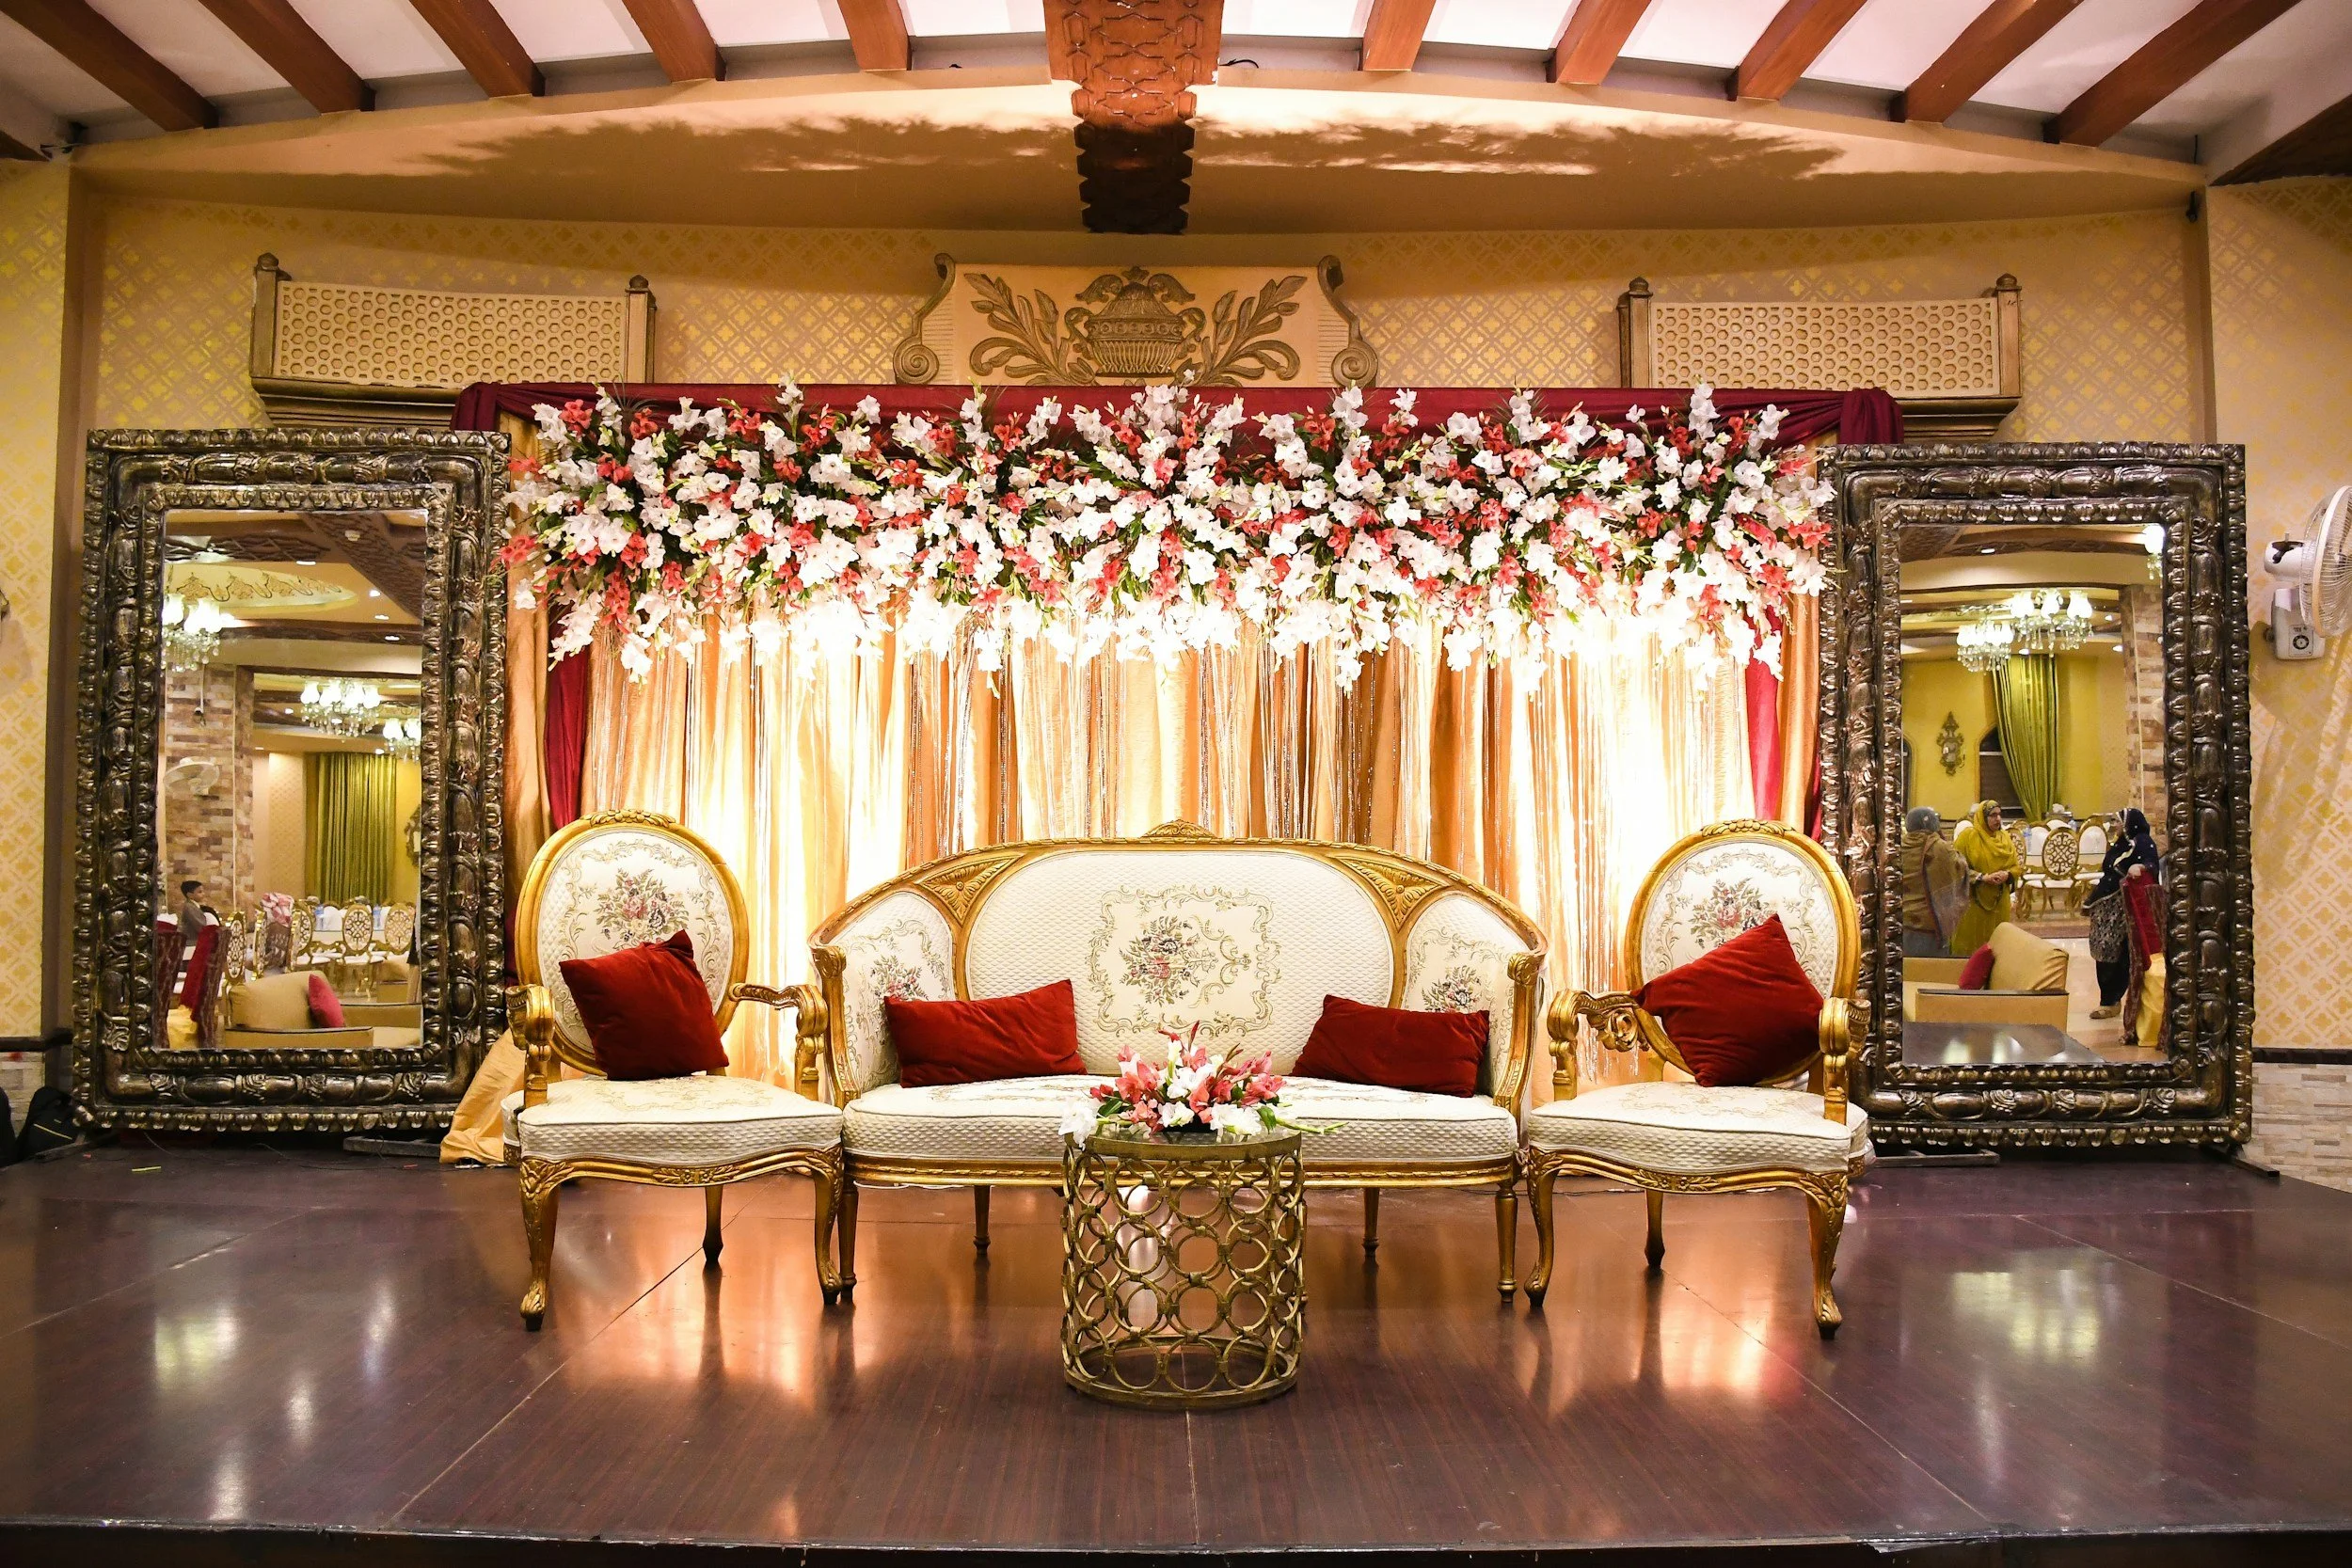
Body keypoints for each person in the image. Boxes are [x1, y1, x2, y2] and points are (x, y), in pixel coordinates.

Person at [2089, 808, 2161, 1020]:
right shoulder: (2120, 844)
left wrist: (2141, 866)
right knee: (2103, 951)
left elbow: (2151, 864)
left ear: (2129, 823)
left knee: (2118, 952)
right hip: (2106, 906)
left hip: (2124, 909)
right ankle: (2109, 999)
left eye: (2117, 821)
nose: (2114, 825)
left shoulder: (2142, 842)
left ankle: (2112, 1000)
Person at [1899, 806, 1971, 957]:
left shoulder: (1900, 846)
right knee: (1931, 967)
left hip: (1903, 922)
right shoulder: (1939, 848)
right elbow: (1960, 869)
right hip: (1930, 925)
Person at [1950, 800, 2019, 956]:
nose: (1998, 819)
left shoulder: (2005, 838)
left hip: (1999, 901)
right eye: (1993, 815)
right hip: (1974, 901)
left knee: (1997, 947)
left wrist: (2007, 874)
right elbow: (1956, 867)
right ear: (1982, 817)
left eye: (1999, 815)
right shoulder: (1968, 837)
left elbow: (2016, 867)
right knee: (1973, 948)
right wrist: (1982, 877)